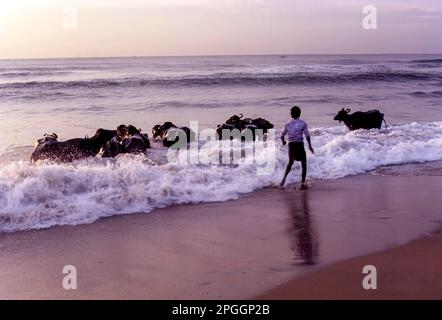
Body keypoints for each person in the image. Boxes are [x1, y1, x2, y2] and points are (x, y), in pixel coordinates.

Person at [280, 106, 314, 189]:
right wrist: (310, 146)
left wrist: (283, 142)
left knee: (290, 163)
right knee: (304, 163)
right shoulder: (303, 123)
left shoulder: (287, 123)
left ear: (294, 113)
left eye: (291, 112)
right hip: (299, 145)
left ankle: (283, 180)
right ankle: (302, 182)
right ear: (299, 114)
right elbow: (307, 135)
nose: (290, 113)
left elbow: (282, 135)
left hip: (291, 145)